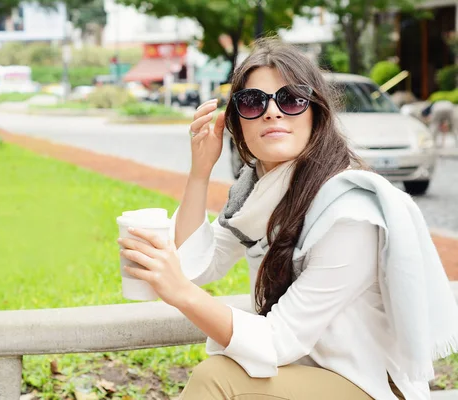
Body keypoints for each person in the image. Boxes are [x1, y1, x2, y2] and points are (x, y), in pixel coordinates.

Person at [117, 38, 458, 400]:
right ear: (236, 124)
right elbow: (196, 264)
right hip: (301, 373)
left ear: (316, 113)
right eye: (252, 102)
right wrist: (200, 173)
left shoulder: (348, 213)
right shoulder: (259, 194)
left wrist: (181, 294)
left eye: (291, 99)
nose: (272, 112)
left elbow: (277, 340)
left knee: (218, 378)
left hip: (365, 384)